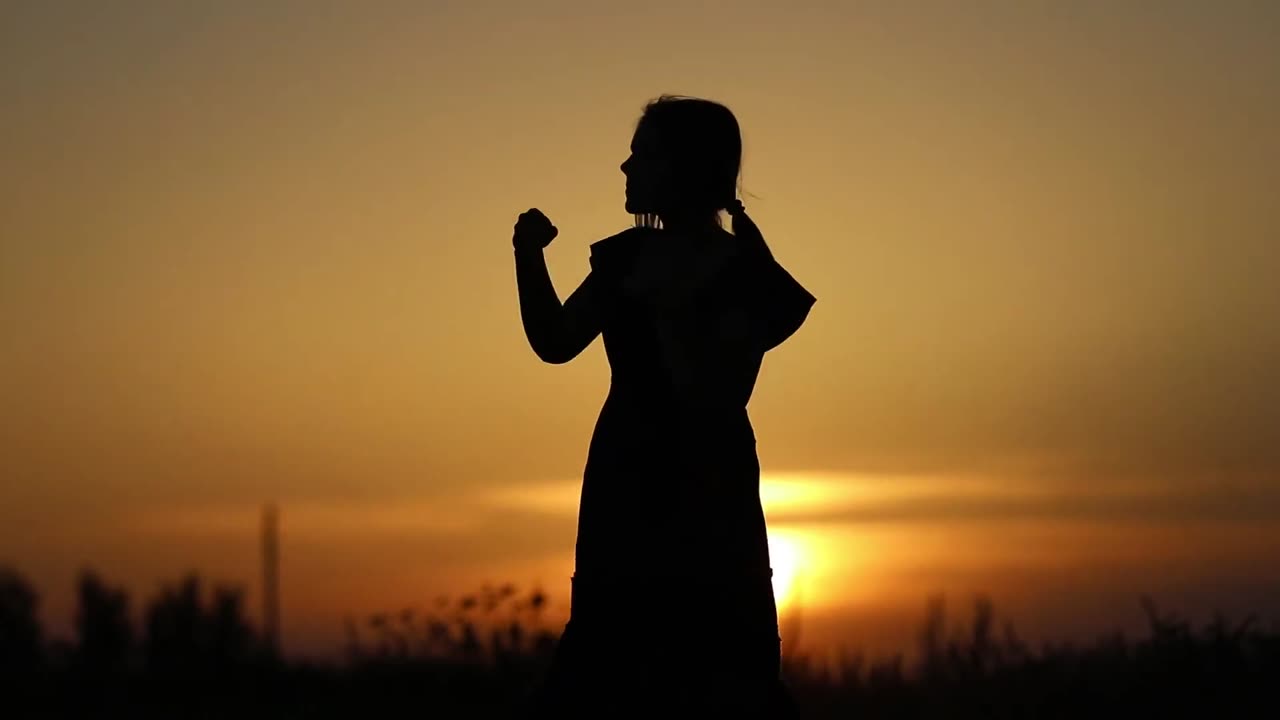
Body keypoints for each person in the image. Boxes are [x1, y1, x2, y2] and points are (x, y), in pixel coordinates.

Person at [512, 95, 815, 716]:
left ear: (683, 167)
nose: (625, 167)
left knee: (718, 673)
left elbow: (714, 394)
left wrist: (665, 309)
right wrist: (528, 255)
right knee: (606, 660)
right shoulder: (624, 260)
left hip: (706, 491)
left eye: (643, 153)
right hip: (624, 483)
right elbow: (555, 341)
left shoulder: (743, 274)